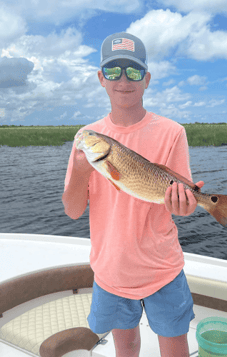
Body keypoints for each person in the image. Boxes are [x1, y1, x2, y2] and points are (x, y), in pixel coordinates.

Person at [62, 32, 204, 357]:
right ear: (101, 78)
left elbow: (180, 202)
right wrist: (83, 171)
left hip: (162, 268)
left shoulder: (172, 132)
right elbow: (72, 210)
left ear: (147, 79)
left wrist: (187, 204)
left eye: (134, 71)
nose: (123, 80)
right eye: (113, 71)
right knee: (124, 346)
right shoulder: (85, 138)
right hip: (111, 269)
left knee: (174, 347)